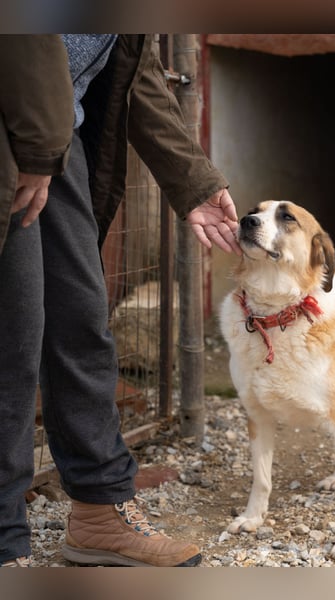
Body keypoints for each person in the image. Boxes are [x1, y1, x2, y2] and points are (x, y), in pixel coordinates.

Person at [0, 34, 241, 567]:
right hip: (17, 135)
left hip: (52, 142)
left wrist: (193, 181)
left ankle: (99, 509)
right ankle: (3, 544)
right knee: (12, 338)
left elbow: (138, 73)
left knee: (81, 321)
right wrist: (36, 145)